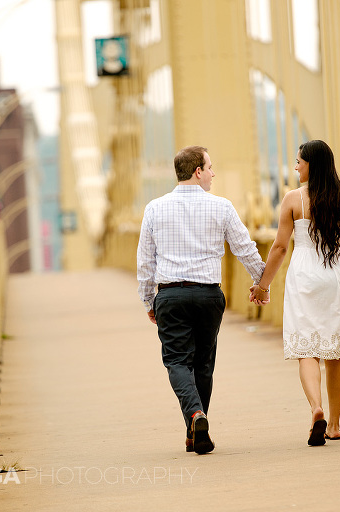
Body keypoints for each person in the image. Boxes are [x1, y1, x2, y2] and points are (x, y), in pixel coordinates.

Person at [137, 145, 265, 454]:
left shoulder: (154, 208)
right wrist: (262, 282)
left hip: (171, 294)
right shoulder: (222, 207)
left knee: (177, 360)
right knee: (203, 364)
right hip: (208, 295)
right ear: (198, 171)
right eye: (210, 167)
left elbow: (145, 262)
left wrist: (148, 301)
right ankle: (195, 428)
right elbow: (244, 247)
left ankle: (195, 416)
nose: (213, 173)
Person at [249, 139, 340, 446]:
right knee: (335, 353)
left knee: (306, 349)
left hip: (304, 274)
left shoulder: (294, 199)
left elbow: (280, 247)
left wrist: (262, 285)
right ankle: (333, 425)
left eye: (299, 162)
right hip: (339, 276)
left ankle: (315, 408)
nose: (295, 167)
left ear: (311, 165)